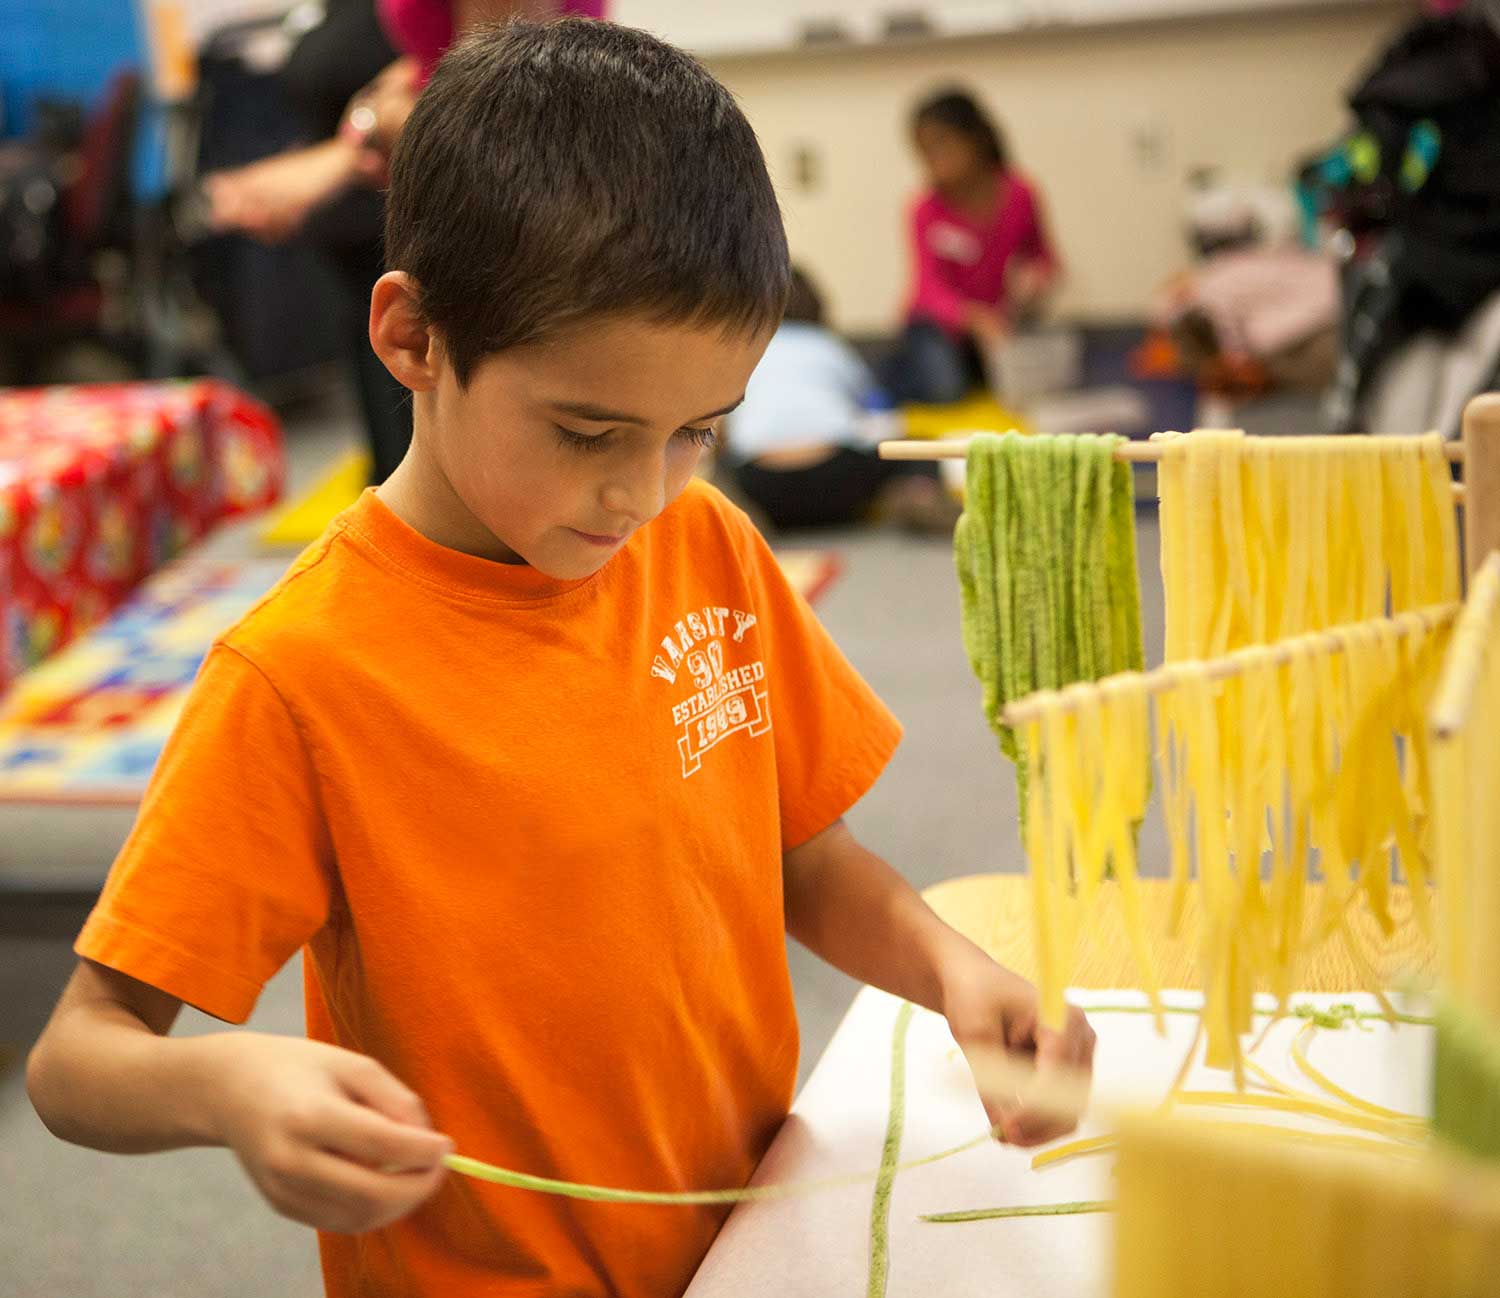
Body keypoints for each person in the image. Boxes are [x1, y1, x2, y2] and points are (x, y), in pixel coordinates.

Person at [26, 22, 1094, 1298]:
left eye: (697, 428)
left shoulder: (707, 546)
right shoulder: (300, 674)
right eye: (590, 429)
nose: (640, 491)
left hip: (746, 1245)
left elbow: (805, 858)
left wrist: (952, 970)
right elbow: (78, 1059)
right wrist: (224, 1081)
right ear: (414, 338)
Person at [727, 267, 958, 531]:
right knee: (918, 450)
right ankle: (919, 493)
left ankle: (739, 519)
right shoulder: (829, 345)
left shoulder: (744, 352)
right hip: (837, 473)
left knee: (719, 469)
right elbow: (873, 406)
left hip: (761, 481)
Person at [882, 87, 1061, 405]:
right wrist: (975, 319)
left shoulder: (1020, 194)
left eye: (943, 146)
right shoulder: (925, 209)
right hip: (939, 325)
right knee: (944, 387)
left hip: (1002, 321)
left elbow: (1044, 258)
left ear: (976, 139)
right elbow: (928, 289)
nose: (934, 161)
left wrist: (1037, 279)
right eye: (925, 152)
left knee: (1043, 373)